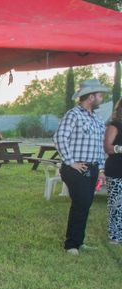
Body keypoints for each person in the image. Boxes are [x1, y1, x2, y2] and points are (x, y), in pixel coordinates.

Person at [54, 79, 110, 255]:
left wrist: (100, 169)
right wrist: (70, 161)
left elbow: (99, 146)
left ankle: (78, 241)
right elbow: (59, 138)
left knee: (85, 205)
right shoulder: (74, 115)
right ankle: (71, 245)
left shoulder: (97, 119)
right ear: (91, 97)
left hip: (92, 169)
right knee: (81, 204)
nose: (102, 97)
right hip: (77, 168)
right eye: (100, 94)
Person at [103, 98, 122, 245]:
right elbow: (107, 147)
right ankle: (115, 236)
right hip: (116, 169)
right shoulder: (114, 125)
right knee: (116, 204)